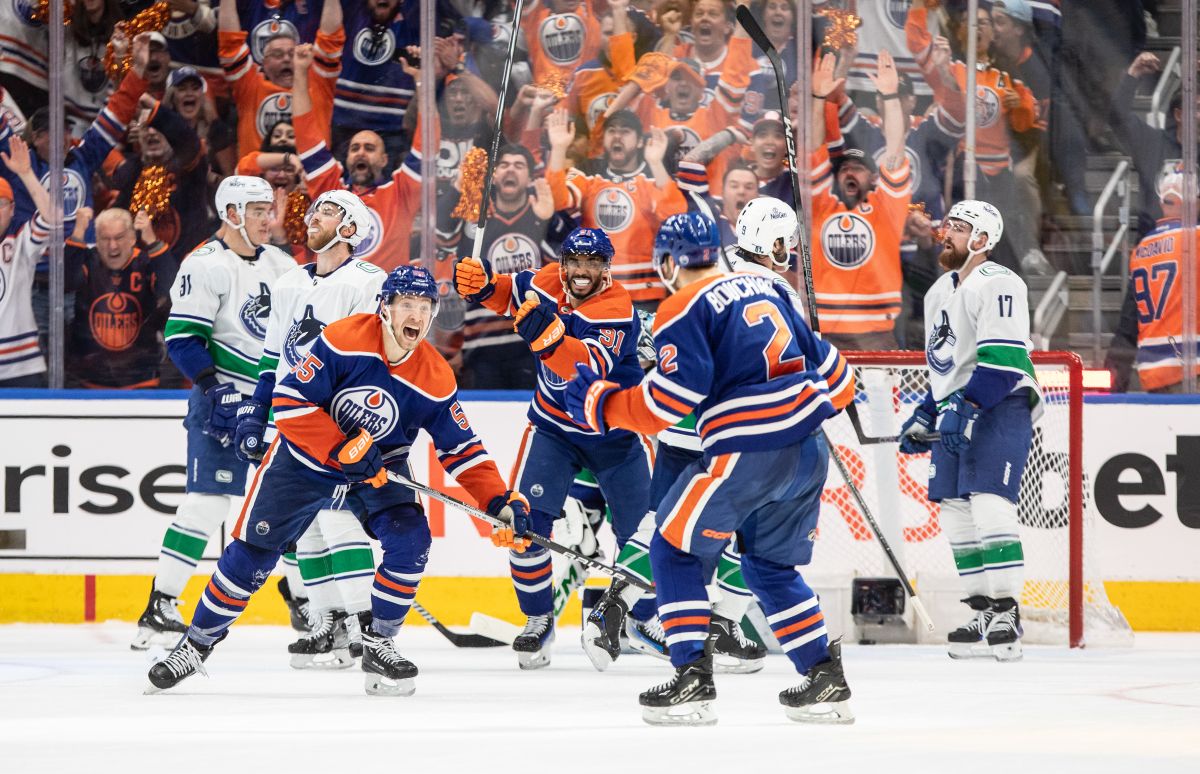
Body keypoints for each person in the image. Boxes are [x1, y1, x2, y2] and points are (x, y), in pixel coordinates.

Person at [147, 265, 530, 696]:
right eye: (407, 304)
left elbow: (462, 449)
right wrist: (339, 448)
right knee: (252, 554)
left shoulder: (435, 378)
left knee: (411, 540)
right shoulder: (344, 339)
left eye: (425, 307)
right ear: (384, 307)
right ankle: (195, 646)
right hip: (304, 461)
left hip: (378, 468)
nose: (417, 316)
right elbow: (289, 402)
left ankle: (378, 642)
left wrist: (499, 501)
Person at [562, 208, 856, 726]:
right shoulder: (771, 292)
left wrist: (601, 403)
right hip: (809, 451)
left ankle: (692, 679)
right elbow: (837, 374)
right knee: (768, 568)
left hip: (747, 451)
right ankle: (824, 678)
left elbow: (672, 397)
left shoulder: (681, 305)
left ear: (669, 261)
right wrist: (801, 413)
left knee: (671, 549)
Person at [454, 227, 656, 669]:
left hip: (615, 434)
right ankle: (538, 620)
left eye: (593, 262)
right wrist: (483, 284)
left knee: (642, 535)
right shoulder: (546, 281)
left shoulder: (617, 309)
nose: (582, 271)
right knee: (522, 523)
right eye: (575, 262)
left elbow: (586, 369)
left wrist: (547, 340)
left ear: (607, 268)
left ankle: (641, 619)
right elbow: (509, 293)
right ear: (563, 264)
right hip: (553, 430)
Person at [130, 176, 295, 650]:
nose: (270, 218)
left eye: (270, 210)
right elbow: (182, 339)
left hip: (273, 404)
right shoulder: (204, 265)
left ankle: (305, 602)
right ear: (234, 213)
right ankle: (159, 606)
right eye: (260, 210)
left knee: (295, 504)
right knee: (207, 504)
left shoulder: (282, 264)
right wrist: (213, 388)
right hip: (220, 402)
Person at [233, 188, 389, 668]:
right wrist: (257, 411)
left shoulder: (368, 280)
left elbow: (373, 359)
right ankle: (330, 624)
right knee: (307, 528)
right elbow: (273, 355)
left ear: (349, 228)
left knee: (339, 518)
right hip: (291, 418)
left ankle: (368, 627)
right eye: (314, 208)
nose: (312, 215)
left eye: (326, 209)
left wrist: (355, 423)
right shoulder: (288, 283)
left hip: (339, 420)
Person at [898, 199, 1040, 662]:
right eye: (948, 226)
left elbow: (1002, 363)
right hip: (960, 405)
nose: (946, 234)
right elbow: (945, 368)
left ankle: (1007, 611)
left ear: (981, 240)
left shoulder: (999, 282)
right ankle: (982, 609)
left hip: (1000, 404)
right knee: (955, 509)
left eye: (958, 229)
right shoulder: (940, 289)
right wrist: (926, 410)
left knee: (989, 504)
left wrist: (966, 406)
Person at [810, 50, 912, 350]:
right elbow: (816, 147)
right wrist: (818, 100)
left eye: (859, 168)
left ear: (873, 178)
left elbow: (894, 149)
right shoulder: (821, 206)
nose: (850, 172)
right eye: (844, 168)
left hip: (876, 339)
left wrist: (890, 97)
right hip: (825, 338)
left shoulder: (886, 210)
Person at [545, 108, 687, 307]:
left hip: (644, 296)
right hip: (597, 294)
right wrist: (558, 149)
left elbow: (676, 216)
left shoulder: (652, 176)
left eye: (625, 131)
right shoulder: (588, 173)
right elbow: (557, 200)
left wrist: (656, 163)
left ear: (639, 141)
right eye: (612, 131)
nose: (617, 136)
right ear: (603, 140)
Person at [218, 0, 345, 158]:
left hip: (308, 177)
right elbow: (230, 43)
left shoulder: (318, 83)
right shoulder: (250, 86)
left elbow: (331, 40)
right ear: (263, 62)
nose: (286, 59)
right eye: (277, 54)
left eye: (292, 53)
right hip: (258, 178)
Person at [64, 207, 173, 389]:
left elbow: (172, 289)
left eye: (119, 237)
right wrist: (78, 233)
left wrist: (152, 241)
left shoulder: (145, 263)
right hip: (90, 380)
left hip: (141, 378)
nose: (112, 246)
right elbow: (65, 282)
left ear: (132, 238)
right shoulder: (88, 262)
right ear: (96, 241)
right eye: (105, 239)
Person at [1114, 164, 1200, 393]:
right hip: (1191, 368)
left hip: (1152, 370)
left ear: (1162, 203)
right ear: (1194, 202)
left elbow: (1129, 319)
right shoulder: (1195, 238)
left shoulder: (1141, 248)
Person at [0, 138, 51, 387]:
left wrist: (27, 173)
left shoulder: (20, 244)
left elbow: (51, 218)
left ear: (12, 209)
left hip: (21, 366)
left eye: (0, 204)